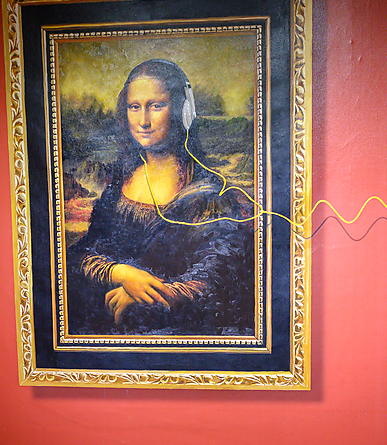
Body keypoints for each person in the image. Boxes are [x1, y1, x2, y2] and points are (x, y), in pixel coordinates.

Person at [66, 59, 255, 337]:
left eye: (156, 106)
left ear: (182, 111)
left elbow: (217, 278)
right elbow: (81, 254)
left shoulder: (209, 194)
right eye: (134, 107)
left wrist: (149, 296)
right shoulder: (119, 186)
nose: (143, 121)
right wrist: (122, 273)